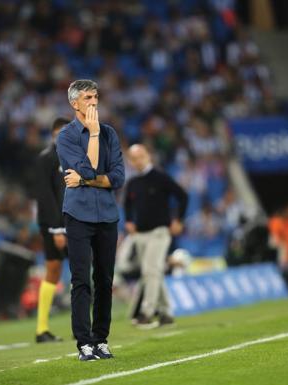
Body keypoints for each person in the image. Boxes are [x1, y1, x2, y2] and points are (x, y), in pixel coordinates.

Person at [56, 79, 125, 361]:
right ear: (75, 103)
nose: (94, 102)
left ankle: (101, 339)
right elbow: (91, 167)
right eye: (88, 98)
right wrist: (93, 136)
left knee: (105, 280)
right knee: (81, 279)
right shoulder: (66, 136)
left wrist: (85, 180)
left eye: (96, 97)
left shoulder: (111, 134)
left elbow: (118, 177)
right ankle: (84, 343)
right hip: (78, 216)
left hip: (107, 215)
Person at [124, 144, 188, 328]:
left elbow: (182, 195)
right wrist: (129, 220)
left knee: (150, 270)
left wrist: (179, 220)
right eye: (134, 158)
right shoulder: (133, 182)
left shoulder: (160, 177)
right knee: (154, 272)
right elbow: (128, 203)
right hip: (141, 234)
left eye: (141, 156)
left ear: (148, 156)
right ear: (130, 161)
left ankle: (147, 311)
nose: (138, 161)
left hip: (159, 232)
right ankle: (166, 313)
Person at [34, 117, 70, 343]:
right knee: (53, 270)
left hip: (73, 221)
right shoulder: (46, 159)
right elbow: (45, 196)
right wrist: (57, 229)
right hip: (53, 225)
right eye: (58, 132)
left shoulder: (76, 154)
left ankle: (82, 326)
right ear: (53, 134)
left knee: (79, 270)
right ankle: (41, 329)